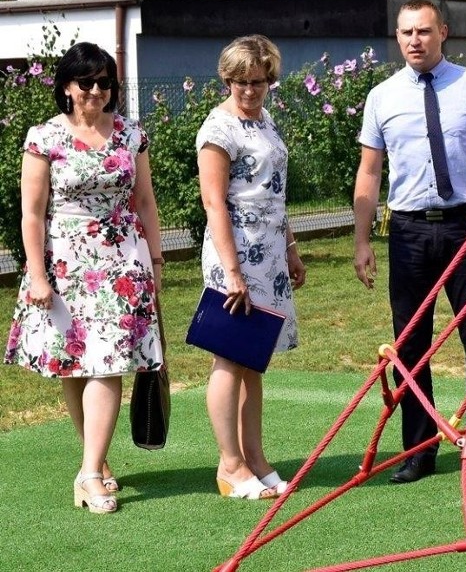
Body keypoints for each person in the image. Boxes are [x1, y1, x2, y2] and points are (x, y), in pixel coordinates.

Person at [353, 0, 466, 484]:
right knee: (412, 344)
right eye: (406, 32)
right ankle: (420, 450)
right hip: (407, 232)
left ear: (444, 32)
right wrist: (361, 241)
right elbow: (369, 172)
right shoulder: (382, 97)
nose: (414, 40)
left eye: (424, 31)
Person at [4, 42, 164, 514]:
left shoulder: (131, 134)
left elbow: (146, 202)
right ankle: (95, 462)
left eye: (104, 83)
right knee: (75, 364)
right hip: (64, 262)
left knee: (108, 362)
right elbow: (31, 214)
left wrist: (154, 261)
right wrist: (37, 275)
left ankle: (90, 473)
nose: (96, 91)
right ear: (67, 87)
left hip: (122, 260)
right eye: (86, 82)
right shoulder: (45, 137)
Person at [196, 34, 306, 500]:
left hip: (271, 254)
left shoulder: (265, 120)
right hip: (234, 253)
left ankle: (256, 459)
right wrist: (233, 272)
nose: (249, 90)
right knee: (230, 356)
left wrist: (292, 248)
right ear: (226, 80)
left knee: (253, 362)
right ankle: (230, 464)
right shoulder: (217, 129)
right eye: (239, 82)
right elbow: (214, 203)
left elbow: (274, 194)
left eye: (258, 82)